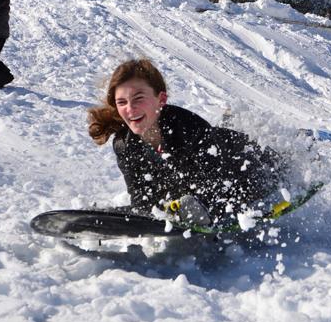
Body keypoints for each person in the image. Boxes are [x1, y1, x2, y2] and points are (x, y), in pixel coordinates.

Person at [87, 59, 281, 224]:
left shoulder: (189, 128)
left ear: (161, 99)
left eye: (138, 98)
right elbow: (142, 201)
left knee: (281, 167)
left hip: (249, 165)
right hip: (197, 190)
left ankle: (304, 144)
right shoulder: (124, 145)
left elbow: (219, 191)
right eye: (122, 102)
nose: (130, 109)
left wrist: (190, 211)